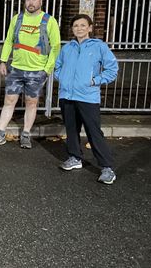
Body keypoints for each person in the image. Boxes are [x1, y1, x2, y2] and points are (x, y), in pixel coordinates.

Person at [0, 0, 61, 149]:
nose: (31, 3)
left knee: (31, 102)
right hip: (16, 69)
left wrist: (47, 69)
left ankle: (26, 134)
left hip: (37, 70)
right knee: (9, 101)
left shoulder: (49, 21)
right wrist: (3, 61)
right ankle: (0, 134)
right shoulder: (17, 19)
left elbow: (55, 47)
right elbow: (8, 41)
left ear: (41, 1)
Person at [54, 14, 119, 184]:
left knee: (94, 132)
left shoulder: (99, 47)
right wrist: (63, 79)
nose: (79, 28)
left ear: (90, 28)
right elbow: (58, 66)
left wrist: (94, 81)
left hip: (88, 97)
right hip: (67, 95)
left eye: (83, 25)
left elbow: (112, 69)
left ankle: (107, 168)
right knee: (71, 129)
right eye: (76, 26)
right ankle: (75, 158)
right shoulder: (67, 48)